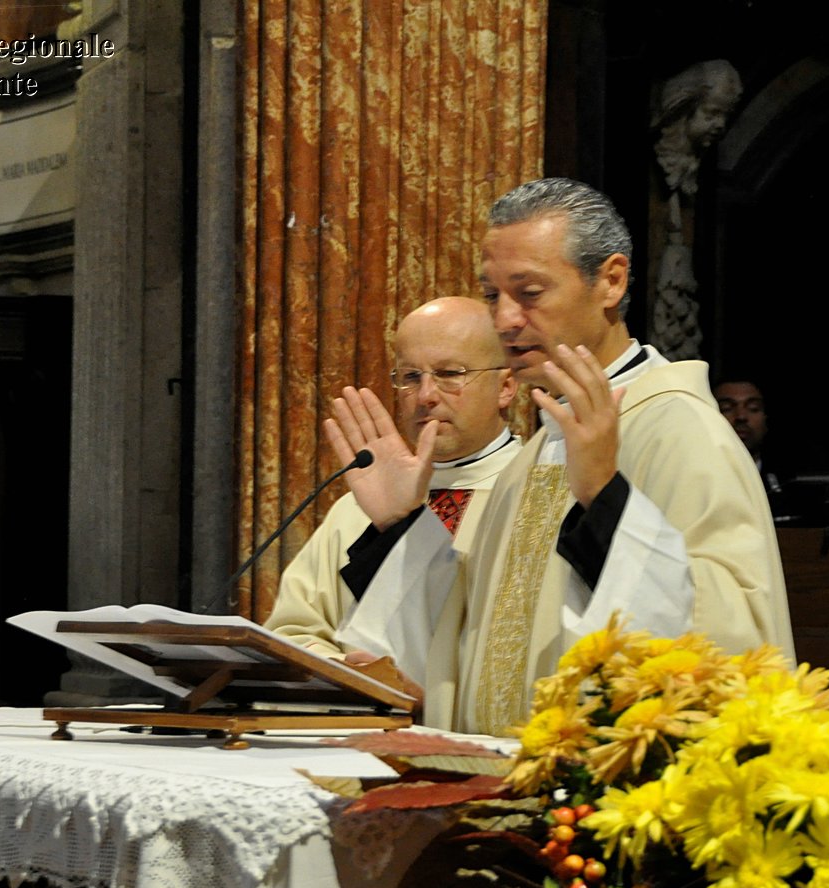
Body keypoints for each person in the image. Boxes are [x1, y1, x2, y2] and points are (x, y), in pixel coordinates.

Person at [327, 178, 793, 735]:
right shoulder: (532, 458)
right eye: (493, 294)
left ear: (610, 282)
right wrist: (402, 528)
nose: (504, 320)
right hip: (502, 792)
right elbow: (469, 648)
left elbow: (734, 634)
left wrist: (606, 501)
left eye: (529, 292)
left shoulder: (679, 430)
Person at [262, 297, 521, 724]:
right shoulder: (357, 509)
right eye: (410, 377)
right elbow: (294, 631)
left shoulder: (535, 495)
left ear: (506, 387)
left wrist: (431, 697)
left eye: (450, 374)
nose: (426, 396)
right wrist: (344, 675)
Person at [713, 379, 798, 521]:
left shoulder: (790, 483)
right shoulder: (692, 481)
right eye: (726, 408)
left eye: (753, 408)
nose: (741, 416)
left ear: (766, 418)